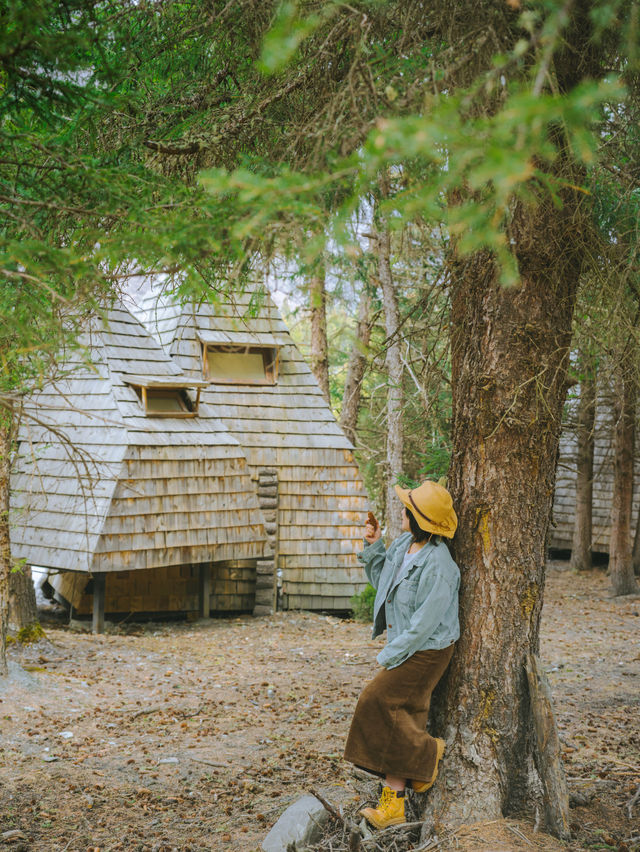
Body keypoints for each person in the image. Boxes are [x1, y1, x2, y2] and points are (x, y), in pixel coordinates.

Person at [344, 479, 460, 830]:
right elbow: (383, 584)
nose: (402, 510)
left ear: (421, 517)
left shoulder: (440, 565)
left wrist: (389, 656)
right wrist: (374, 545)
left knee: (376, 699)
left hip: (427, 649)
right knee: (403, 716)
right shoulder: (404, 545)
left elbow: (425, 624)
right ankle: (393, 804)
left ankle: (427, 754)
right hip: (407, 643)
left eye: (408, 508)